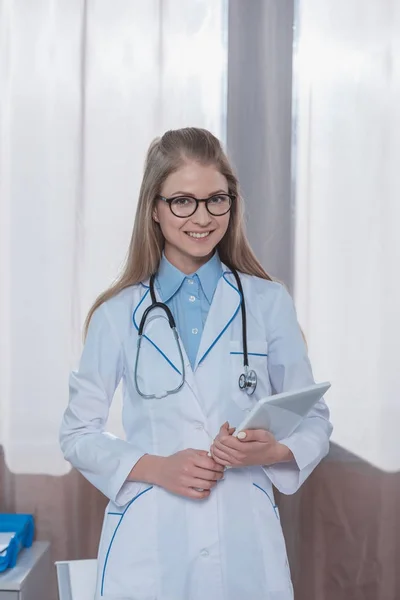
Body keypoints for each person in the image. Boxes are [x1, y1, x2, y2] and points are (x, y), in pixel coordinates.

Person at [60, 127, 332, 600]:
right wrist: (155, 467)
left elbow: (314, 421)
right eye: (183, 201)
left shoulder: (267, 303)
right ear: (155, 209)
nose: (202, 217)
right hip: (151, 540)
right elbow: (77, 433)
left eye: (216, 200)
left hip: (244, 537)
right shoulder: (117, 313)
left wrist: (269, 452)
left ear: (232, 203)